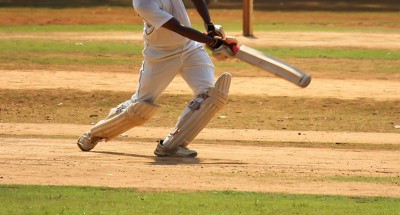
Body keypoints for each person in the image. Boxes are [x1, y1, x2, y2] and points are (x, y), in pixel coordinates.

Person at [77, 0, 235, 158]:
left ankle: (172, 145)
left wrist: (210, 26)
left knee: (210, 96)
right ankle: (94, 134)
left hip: (190, 48)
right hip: (161, 56)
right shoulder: (142, 4)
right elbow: (177, 28)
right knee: (139, 107)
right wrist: (213, 42)